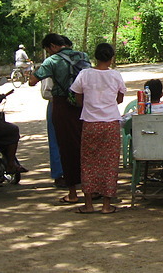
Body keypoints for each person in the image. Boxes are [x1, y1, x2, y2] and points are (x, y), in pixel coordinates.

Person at [29, 33, 89, 204]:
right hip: (82, 103)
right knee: (83, 143)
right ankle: (90, 187)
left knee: (65, 147)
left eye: (48, 50)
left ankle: (72, 192)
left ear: (52, 46)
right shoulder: (82, 56)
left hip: (62, 105)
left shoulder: (51, 61)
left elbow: (32, 81)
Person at [69, 43, 126, 214]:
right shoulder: (115, 75)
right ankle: (107, 205)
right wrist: (107, 104)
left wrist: (89, 105)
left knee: (88, 162)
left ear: (95, 57)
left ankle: (88, 204)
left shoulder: (85, 74)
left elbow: (77, 96)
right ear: (111, 58)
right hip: (110, 123)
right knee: (110, 162)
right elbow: (120, 98)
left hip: (90, 123)